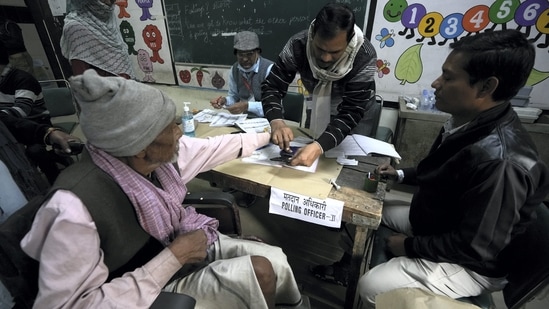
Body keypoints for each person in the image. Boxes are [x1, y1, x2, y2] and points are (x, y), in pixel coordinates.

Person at [20, 69, 305, 309]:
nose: (180, 131)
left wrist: (269, 135)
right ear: (141, 147)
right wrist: (175, 257)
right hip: (144, 288)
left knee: (275, 259)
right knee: (259, 272)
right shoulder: (74, 210)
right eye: (171, 127)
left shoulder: (155, 160)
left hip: (174, 246)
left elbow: (213, 147)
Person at [354, 30, 549, 307]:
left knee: (371, 287)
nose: (435, 83)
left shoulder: (502, 164)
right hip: (443, 223)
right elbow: (446, 172)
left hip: (474, 264)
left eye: (448, 77)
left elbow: (474, 246)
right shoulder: (468, 122)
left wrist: (408, 246)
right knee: (371, 210)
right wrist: (399, 174)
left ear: (485, 88)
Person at [261, 3, 377, 167]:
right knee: (308, 158)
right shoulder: (298, 45)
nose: (326, 58)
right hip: (318, 103)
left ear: (349, 42)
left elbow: (351, 112)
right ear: (312, 33)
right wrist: (276, 120)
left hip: (355, 113)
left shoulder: (364, 55)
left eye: (335, 52)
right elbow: (272, 86)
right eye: (320, 48)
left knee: (346, 164)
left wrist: (319, 146)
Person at [0, 48, 72, 184]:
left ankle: (56, 182)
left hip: (35, 124)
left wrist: (2, 117)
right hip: (9, 127)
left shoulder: (23, 79)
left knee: (35, 151)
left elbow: (21, 110)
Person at [61, 0, 135, 79]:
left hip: (127, 85)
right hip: (105, 89)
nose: (112, 1)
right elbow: (83, 79)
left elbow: (120, 56)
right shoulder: (75, 28)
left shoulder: (107, 17)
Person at [210, 31, 274, 117]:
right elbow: (234, 97)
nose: (244, 59)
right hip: (245, 120)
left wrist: (247, 105)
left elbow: (273, 106)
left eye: (249, 54)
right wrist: (224, 100)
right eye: (240, 54)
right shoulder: (235, 69)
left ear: (257, 52)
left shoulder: (269, 69)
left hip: (270, 120)